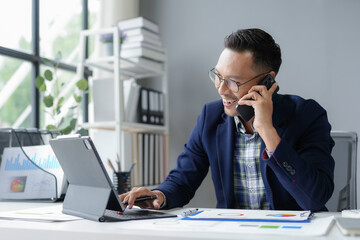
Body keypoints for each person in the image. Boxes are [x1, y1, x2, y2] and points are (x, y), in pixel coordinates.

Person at [120, 28, 335, 211]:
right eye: (218, 76)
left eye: (233, 82)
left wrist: (267, 131)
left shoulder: (307, 115)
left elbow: (314, 198)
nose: (221, 89)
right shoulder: (211, 117)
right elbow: (182, 180)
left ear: (268, 81)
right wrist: (159, 194)